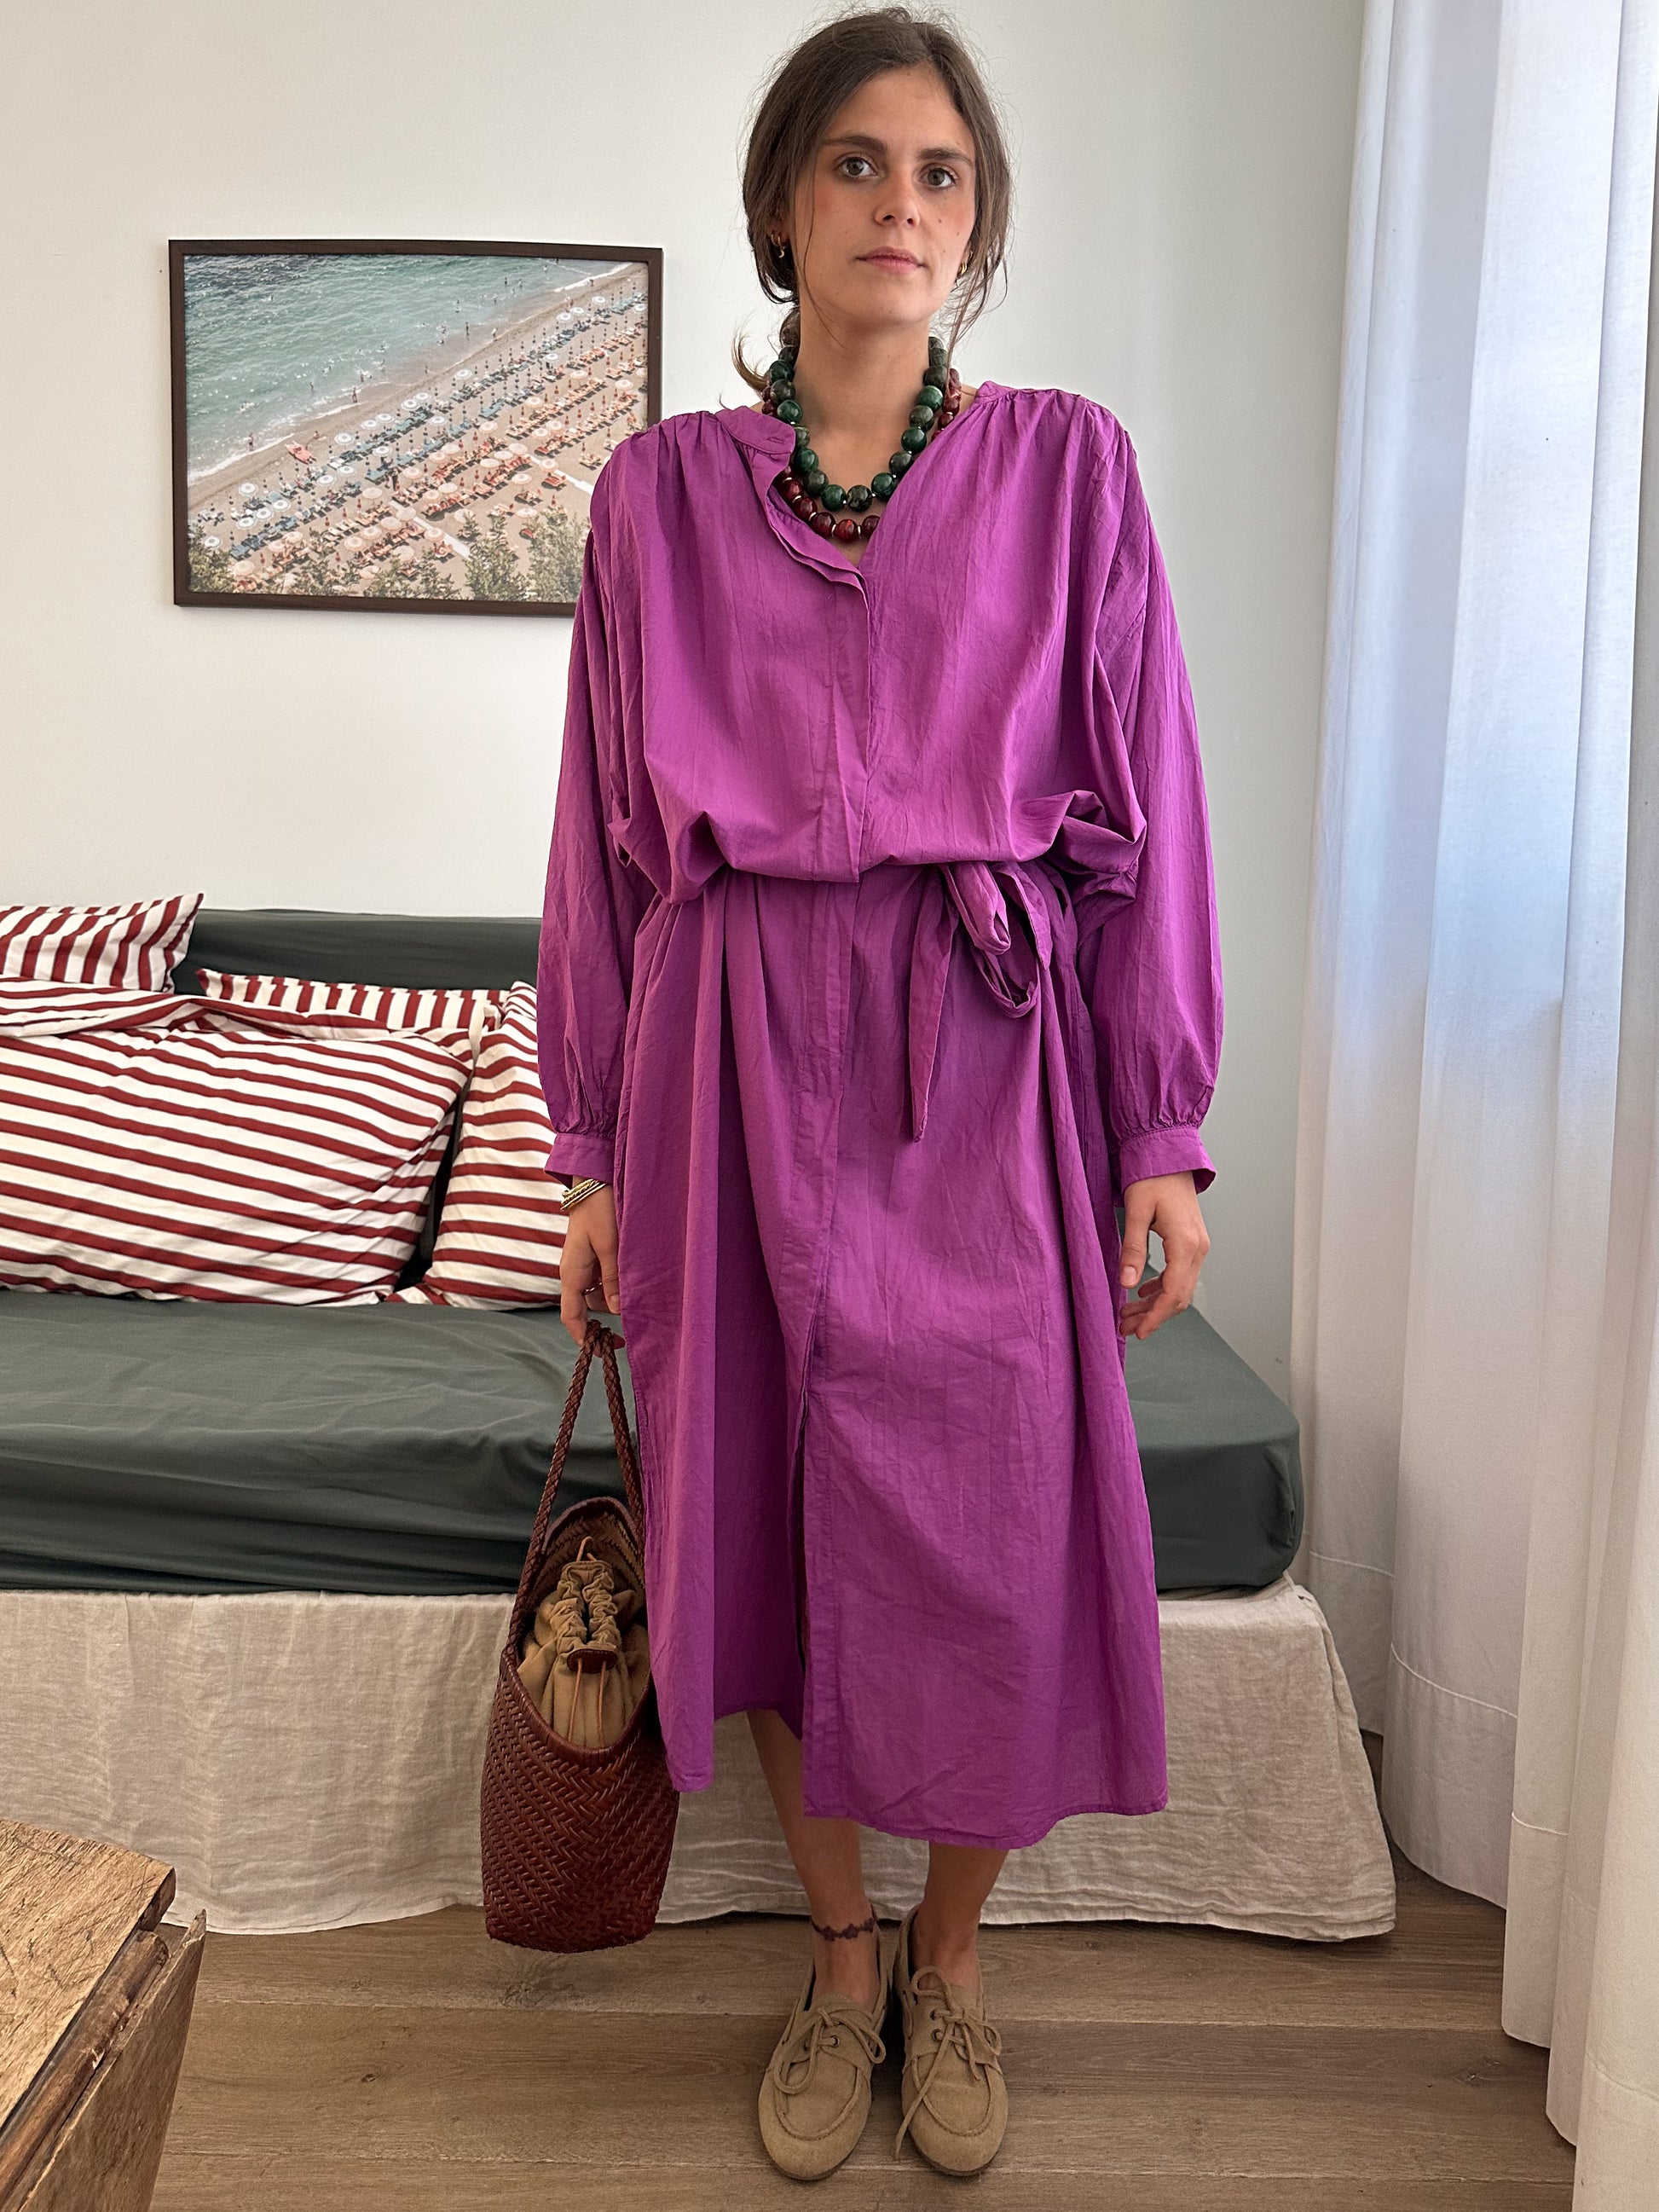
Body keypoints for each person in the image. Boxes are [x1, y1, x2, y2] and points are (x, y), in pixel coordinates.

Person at [536, 3, 1223, 2184]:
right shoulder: (656, 498)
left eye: (938, 172)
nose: (897, 205)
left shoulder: (1069, 472)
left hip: (983, 1055)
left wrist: (1160, 1128)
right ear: (779, 205)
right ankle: (839, 1963)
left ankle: (953, 1958)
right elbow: (597, 851)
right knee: (751, 1504)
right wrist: (586, 1151)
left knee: (994, 1525)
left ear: (977, 221)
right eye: (854, 163)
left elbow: (1146, 816)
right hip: (722, 1057)